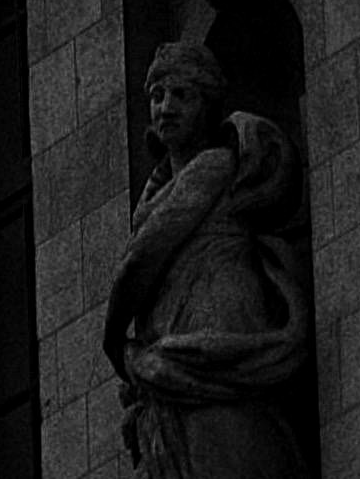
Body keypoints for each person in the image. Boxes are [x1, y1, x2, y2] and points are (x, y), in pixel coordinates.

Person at [108, 34, 311, 476]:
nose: (166, 108)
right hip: (174, 339)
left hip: (219, 326)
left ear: (208, 104)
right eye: (157, 96)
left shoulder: (214, 165)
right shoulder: (155, 194)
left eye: (182, 95)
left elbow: (144, 257)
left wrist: (113, 337)